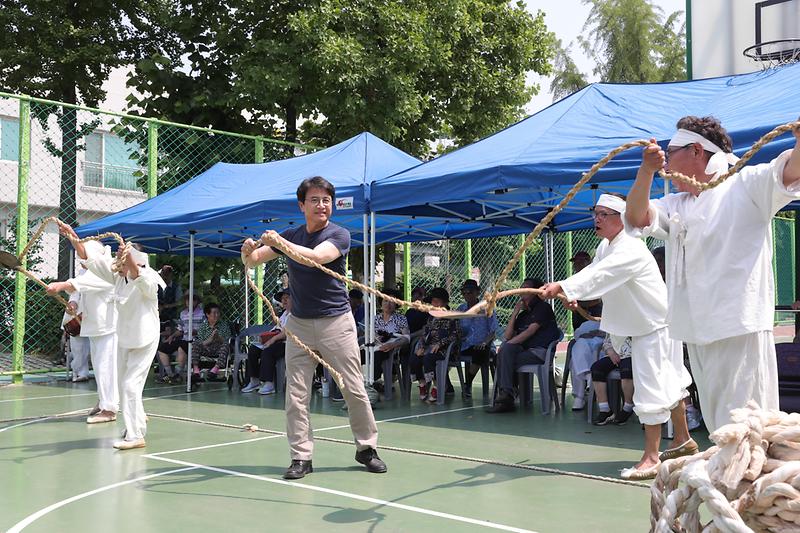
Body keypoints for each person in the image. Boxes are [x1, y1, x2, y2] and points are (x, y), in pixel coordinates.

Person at [625, 116, 800, 432]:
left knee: (750, 425)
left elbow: (789, 172)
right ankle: (730, 480)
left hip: (737, 326)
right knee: (720, 427)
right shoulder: (677, 203)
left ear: (695, 151)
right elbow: (637, 217)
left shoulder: (745, 184)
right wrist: (646, 171)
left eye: (671, 150)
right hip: (695, 329)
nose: (665, 157)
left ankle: (750, 481)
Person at [241, 175, 385, 479]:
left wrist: (280, 243)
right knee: (295, 393)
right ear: (302, 205)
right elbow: (255, 259)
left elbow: (317, 258)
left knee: (353, 388)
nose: (322, 205)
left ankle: (366, 449)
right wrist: (247, 251)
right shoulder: (292, 234)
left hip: (337, 323)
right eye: (315, 200)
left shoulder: (339, 234)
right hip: (299, 326)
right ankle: (301, 457)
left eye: (326, 200)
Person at [540, 194, 692, 480]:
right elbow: (598, 277)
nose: (597, 219)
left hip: (654, 326)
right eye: (595, 213)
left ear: (621, 218)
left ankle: (651, 457)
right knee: (668, 382)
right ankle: (682, 439)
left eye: (604, 214)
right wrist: (576, 296)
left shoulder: (631, 248)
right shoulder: (605, 246)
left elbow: (601, 275)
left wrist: (563, 286)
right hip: (643, 326)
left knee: (652, 389)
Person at [47, 238, 119, 424]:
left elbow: (81, 284)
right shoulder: (87, 270)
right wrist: (73, 303)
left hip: (108, 326)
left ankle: (109, 408)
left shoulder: (105, 270)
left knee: (106, 367)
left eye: (84, 255)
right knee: (101, 365)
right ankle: (105, 401)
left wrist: (60, 285)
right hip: (96, 325)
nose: (81, 259)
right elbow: (78, 290)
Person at [486, 277, 561, 414]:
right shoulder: (523, 315)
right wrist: (515, 313)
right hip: (524, 352)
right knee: (504, 353)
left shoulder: (543, 308)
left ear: (535, 292)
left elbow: (530, 331)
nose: (522, 289)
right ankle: (508, 394)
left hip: (539, 352)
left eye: (526, 287)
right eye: (522, 286)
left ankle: (507, 395)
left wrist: (506, 347)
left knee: (504, 354)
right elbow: (508, 336)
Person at [566, 251, 605, 411]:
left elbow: (598, 300)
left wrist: (580, 306)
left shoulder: (598, 281)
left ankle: (583, 393)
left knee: (594, 349)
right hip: (581, 333)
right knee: (579, 346)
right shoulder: (573, 283)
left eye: (581, 261)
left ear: (589, 262)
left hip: (603, 332)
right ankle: (584, 387)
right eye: (575, 262)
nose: (578, 265)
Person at [410, 287, 460, 403]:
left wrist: (441, 344)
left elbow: (456, 335)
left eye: (437, 301)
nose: (434, 304)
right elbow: (425, 333)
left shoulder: (452, 317)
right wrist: (422, 346)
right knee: (415, 358)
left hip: (446, 351)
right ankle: (422, 383)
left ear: (445, 302)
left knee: (428, 358)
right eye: (433, 301)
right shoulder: (431, 317)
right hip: (429, 348)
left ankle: (437, 387)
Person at [242, 289, 292, 395]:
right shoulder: (284, 314)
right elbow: (276, 328)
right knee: (253, 349)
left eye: (287, 298)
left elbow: (287, 332)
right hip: (277, 341)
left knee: (268, 351)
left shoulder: (296, 314)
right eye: (283, 299)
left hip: (287, 344)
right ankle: (254, 380)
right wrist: (264, 337)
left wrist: (272, 340)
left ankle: (269, 383)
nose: (284, 301)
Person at [457, 279, 497, 399]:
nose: (466, 295)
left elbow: (493, 331)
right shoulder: (461, 308)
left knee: (481, 351)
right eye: (464, 292)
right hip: (465, 345)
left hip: (484, 345)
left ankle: (467, 384)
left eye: (470, 292)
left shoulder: (487, 308)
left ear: (477, 293)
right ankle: (445, 387)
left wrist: (485, 342)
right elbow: (457, 328)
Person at [590, 335, 635, 426]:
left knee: (627, 369)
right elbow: (607, 341)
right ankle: (605, 410)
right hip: (616, 354)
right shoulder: (613, 321)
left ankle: (628, 407)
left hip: (633, 355)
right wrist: (610, 352)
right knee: (596, 369)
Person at [372, 288, 410, 391]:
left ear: (396, 304)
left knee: (377, 354)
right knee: (358, 354)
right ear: (381, 302)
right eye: (385, 301)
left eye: (392, 302)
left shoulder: (401, 319)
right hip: (375, 346)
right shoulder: (375, 319)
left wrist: (392, 345)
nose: (388, 304)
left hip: (391, 349)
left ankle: (374, 384)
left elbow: (406, 338)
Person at [193, 303, 232, 382]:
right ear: (207, 314)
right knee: (195, 344)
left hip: (219, 349)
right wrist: (210, 339)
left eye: (218, 313)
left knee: (225, 345)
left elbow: (227, 341)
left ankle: (214, 370)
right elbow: (201, 342)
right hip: (206, 347)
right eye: (214, 313)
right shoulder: (203, 326)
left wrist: (218, 338)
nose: (216, 315)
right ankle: (196, 371)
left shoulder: (224, 325)